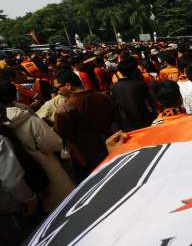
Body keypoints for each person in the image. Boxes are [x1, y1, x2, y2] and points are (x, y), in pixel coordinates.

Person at [0, 80, 73, 212]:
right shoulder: (25, 118)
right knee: (64, 204)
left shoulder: (4, 123)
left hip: (22, 188)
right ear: (13, 94)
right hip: (45, 167)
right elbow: (52, 143)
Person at [54, 69, 114, 183]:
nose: (58, 91)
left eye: (58, 87)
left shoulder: (63, 110)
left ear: (68, 85)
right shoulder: (102, 96)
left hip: (85, 158)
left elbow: (63, 134)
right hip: (110, 146)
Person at [111, 57, 156, 132]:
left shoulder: (113, 87)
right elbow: (150, 103)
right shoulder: (139, 84)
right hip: (144, 121)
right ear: (133, 71)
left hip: (127, 124)